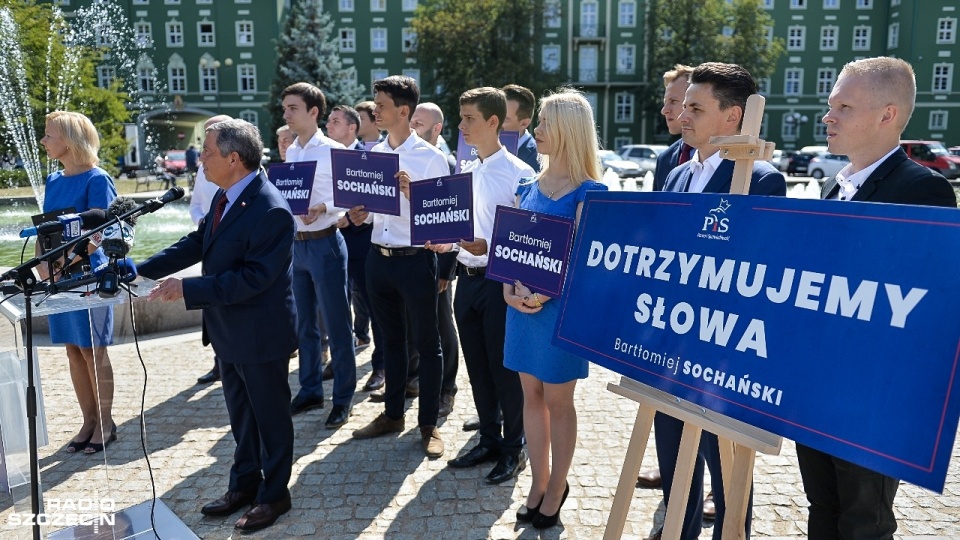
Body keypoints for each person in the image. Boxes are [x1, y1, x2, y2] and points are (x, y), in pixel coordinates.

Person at [798, 56, 956, 540]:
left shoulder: (922, 190)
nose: (829, 116)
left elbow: (913, 307)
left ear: (887, 115)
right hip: (818, 385)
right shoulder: (833, 186)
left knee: (864, 521)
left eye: (844, 106)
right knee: (822, 506)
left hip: (870, 397)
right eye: (830, 105)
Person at [138, 119, 297, 533]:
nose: (200, 158)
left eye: (207, 151)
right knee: (242, 418)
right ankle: (244, 485)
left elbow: (254, 278)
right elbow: (196, 243)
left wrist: (187, 289)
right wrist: (138, 272)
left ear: (233, 157)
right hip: (229, 331)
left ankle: (275, 494)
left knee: (270, 419)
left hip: (260, 334)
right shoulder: (226, 196)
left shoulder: (271, 209)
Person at [656, 62, 787, 540]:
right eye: (683, 105)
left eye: (695, 107)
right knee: (674, 463)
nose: (682, 116)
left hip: (722, 360)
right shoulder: (676, 174)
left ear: (733, 117)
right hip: (670, 351)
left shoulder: (760, 179)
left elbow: (758, 277)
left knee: (726, 471)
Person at [503, 88, 608, 529]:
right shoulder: (526, 186)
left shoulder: (591, 193)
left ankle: (558, 483)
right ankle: (539, 480)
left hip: (559, 312)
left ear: (567, 129)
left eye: (545, 122)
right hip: (519, 307)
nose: (536, 129)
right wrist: (509, 288)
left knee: (559, 402)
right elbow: (511, 246)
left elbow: (588, 263)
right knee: (531, 396)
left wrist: (543, 293)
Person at [428, 87, 534, 484]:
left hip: (499, 282)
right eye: (461, 117)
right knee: (476, 367)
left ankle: (514, 448)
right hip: (466, 279)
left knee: (504, 369)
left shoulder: (520, 174)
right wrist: (446, 240)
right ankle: (488, 438)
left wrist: (488, 245)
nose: (462, 125)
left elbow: (526, 236)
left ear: (493, 122)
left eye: (469, 118)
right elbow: (460, 226)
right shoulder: (466, 169)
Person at [348, 75, 450, 458]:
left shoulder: (431, 157)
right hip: (378, 258)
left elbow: (445, 218)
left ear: (403, 111)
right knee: (389, 341)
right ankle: (392, 415)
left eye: (382, 105)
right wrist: (358, 213)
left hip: (415, 260)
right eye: (375, 103)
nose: (375, 110)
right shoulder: (371, 154)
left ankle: (428, 425)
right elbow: (366, 209)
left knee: (427, 344)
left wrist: (416, 195)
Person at [39, 111, 118, 455]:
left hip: (89, 276)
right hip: (58, 278)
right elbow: (45, 228)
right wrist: (46, 268)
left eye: (49, 135)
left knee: (92, 349)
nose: (44, 141)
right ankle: (87, 421)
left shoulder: (97, 179)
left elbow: (106, 231)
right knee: (73, 349)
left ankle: (105, 422)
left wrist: (67, 263)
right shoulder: (54, 180)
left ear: (69, 141)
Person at [281, 82, 356, 429]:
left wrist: (324, 206)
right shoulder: (292, 151)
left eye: (292, 108)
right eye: (285, 108)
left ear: (313, 112)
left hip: (326, 242)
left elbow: (351, 195)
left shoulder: (332, 150)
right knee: (304, 326)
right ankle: (310, 389)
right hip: (297, 246)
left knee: (337, 324)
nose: (286, 114)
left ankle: (342, 398)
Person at [326, 104, 385, 392]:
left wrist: (349, 217)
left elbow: (372, 200)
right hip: (328, 240)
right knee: (336, 304)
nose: (329, 126)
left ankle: (380, 366)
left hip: (361, 240)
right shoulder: (323, 156)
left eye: (336, 121)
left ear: (352, 128)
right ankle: (339, 361)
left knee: (373, 306)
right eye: (328, 121)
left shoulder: (368, 157)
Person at [408, 100, 460, 417]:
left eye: (420, 123)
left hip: (438, 260)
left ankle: (447, 388)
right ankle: (415, 381)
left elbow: (454, 218)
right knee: (414, 325)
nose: (412, 126)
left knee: (442, 324)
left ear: (436, 128)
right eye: (412, 120)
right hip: (410, 257)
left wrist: (446, 271)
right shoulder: (408, 156)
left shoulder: (447, 162)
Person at [189, 114, 232, 386]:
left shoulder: (239, 168)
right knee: (212, 309)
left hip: (231, 245)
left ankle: (228, 359)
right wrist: (202, 222)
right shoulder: (202, 170)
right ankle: (218, 362)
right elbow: (194, 206)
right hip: (209, 243)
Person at [652, 64, 696, 193]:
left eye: (673, 101)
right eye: (665, 102)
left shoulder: (722, 156)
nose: (664, 110)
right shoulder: (664, 159)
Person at [502, 84, 540, 172]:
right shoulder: (477, 150)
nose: (495, 123)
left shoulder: (538, 159)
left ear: (524, 123)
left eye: (504, 119)